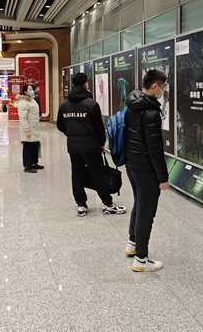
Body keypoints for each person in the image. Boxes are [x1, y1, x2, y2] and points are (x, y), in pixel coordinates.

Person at [57, 72, 126, 217]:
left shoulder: (64, 105)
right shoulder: (91, 104)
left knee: (77, 175)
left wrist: (72, 134)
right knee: (99, 175)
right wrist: (101, 143)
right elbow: (99, 127)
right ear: (85, 85)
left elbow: (60, 125)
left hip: (73, 147)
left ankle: (81, 205)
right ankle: (108, 204)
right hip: (90, 147)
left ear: (73, 85)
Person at [124, 69, 169, 272]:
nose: (163, 91)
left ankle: (132, 243)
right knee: (146, 214)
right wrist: (163, 178)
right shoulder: (150, 113)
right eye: (163, 87)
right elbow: (155, 149)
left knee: (138, 205)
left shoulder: (132, 104)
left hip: (132, 166)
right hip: (145, 169)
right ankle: (140, 259)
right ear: (154, 86)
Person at [17, 84, 42, 173]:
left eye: (32, 89)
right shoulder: (23, 102)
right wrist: (27, 130)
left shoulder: (32, 100)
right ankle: (27, 165)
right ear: (25, 92)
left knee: (34, 145)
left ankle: (34, 163)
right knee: (28, 146)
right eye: (30, 89)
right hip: (28, 128)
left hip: (34, 127)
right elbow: (23, 118)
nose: (32, 91)